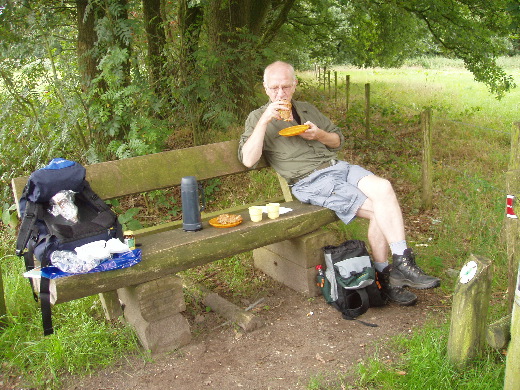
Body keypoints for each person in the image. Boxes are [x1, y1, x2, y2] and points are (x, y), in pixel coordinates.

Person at [238, 61, 440, 306]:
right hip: (310, 181)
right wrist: (264, 122)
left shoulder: (307, 109)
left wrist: (318, 134)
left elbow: (337, 141)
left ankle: (401, 262)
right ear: (265, 88)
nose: (281, 94)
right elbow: (249, 160)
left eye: (286, 87)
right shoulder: (257, 117)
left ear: (295, 85)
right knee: (380, 210)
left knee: (384, 188)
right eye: (274, 88)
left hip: (338, 168)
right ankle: (386, 276)